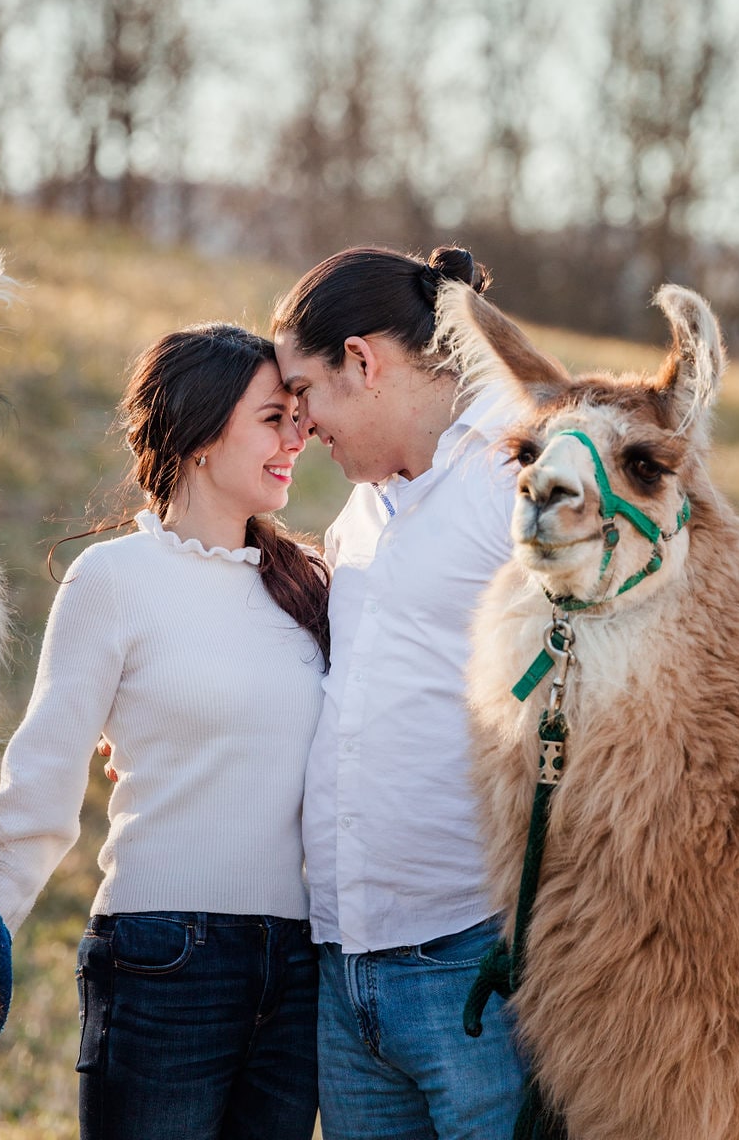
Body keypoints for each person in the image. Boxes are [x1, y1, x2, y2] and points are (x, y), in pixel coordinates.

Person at [0, 322, 329, 1140]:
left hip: (300, 968)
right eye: (274, 418)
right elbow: (41, 782)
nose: (298, 438)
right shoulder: (112, 581)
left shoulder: (310, 585)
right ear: (203, 436)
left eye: (298, 419)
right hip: (161, 959)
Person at [270, 245, 528, 1140]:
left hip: (471, 966)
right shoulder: (361, 513)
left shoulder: (516, 478)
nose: (297, 429)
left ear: (364, 362)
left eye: (304, 394)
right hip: (345, 968)